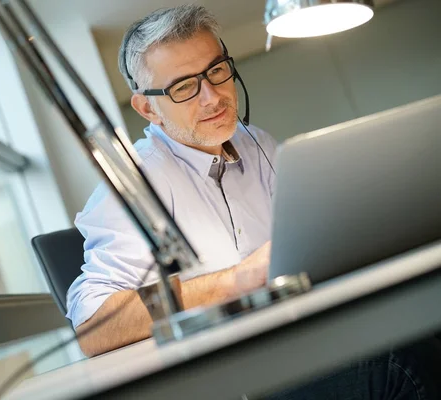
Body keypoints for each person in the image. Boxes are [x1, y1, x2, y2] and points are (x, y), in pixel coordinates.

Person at [65, 5, 441, 398]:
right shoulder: (135, 184)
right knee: (401, 362)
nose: (212, 97)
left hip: (305, 338)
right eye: (183, 87)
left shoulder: (257, 142)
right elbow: (92, 324)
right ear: (147, 108)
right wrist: (234, 280)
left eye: (216, 70)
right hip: (238, 380)